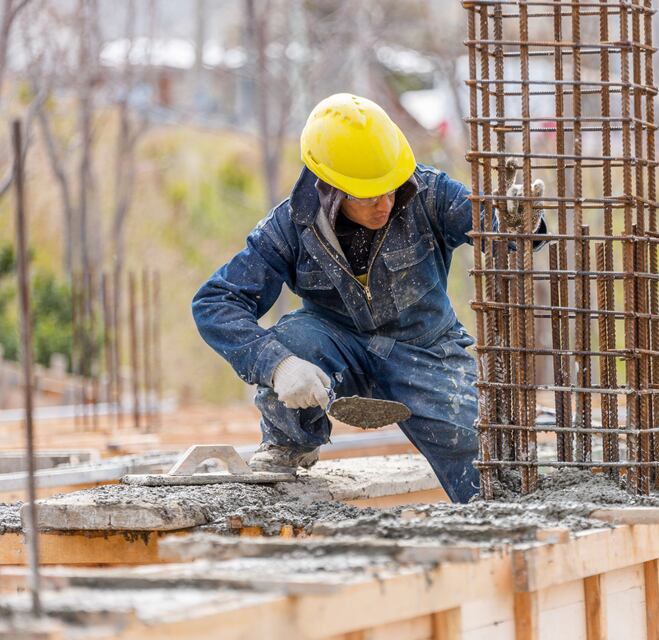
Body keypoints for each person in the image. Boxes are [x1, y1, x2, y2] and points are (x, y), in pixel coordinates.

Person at [192, 93, 546, 503]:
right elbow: (215, 302)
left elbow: (492, 226)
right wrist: (278, 366)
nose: (386, 203)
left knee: (486, 460)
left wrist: (519, 222)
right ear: (332, 190)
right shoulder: (291, 226)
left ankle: (498, 515)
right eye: (367, 196)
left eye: (391, 189)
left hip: (426, 351)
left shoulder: (429, 192)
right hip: (338, 347)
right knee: (293, 341)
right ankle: (288, 444)